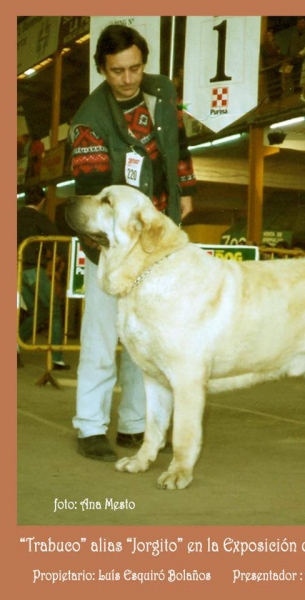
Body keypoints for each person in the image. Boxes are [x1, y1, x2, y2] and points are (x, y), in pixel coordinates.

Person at [69, 24, 197, 462]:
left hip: (156, 247)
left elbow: (178, 147)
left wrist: (186, 190)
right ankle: (89, 426)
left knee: (145, 339)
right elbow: (93, 199)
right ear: (102, 69)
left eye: (135, 68)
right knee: (103, 337)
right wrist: (115, 254)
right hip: (111, 251)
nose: (128, 79)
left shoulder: (162, 92)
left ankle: (134, 425)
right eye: (117, 71)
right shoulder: (89, 120)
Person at [17, 185, 70, 370]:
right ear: (42, 201)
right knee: (53, 309)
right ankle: (56, 358)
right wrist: (63, 259)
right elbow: (57, 239)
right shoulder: (39, 218)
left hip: (15, 271)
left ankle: (13, 346)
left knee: (37, 311)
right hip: (32, 270)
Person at [260, 29, 283, 100]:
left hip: (277, 66)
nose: (269, 37)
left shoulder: (276, 44)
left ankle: (278, 96)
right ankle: (272, 98)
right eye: (268, 35)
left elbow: (279, 53)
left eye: (270, 35)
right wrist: (276, 52)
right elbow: (268, 53)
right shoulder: (263, 46)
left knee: (277, 82)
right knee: (271, 83)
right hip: (270, 67)